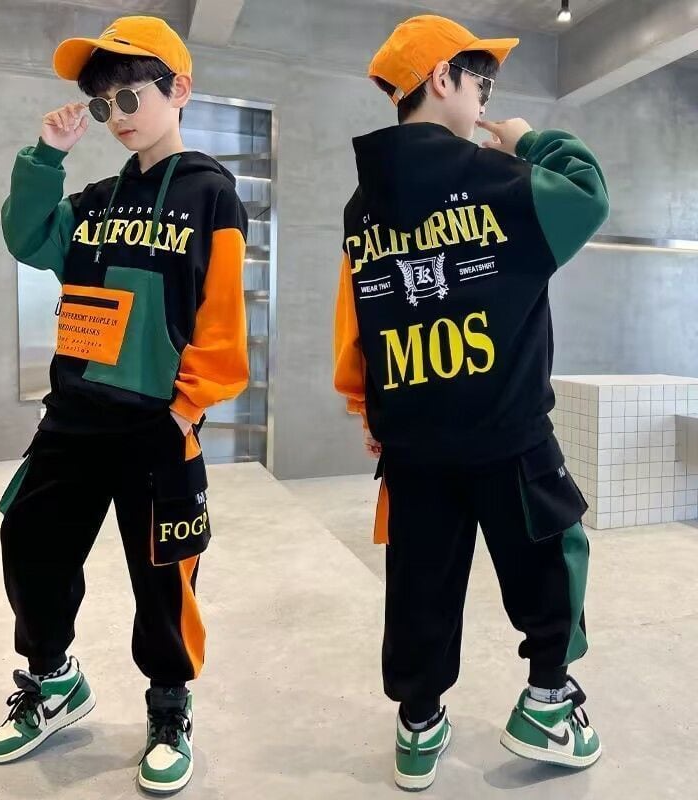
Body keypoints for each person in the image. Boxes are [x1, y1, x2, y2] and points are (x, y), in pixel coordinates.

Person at [333, 14, 609, 792]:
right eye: (480, 80)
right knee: (550, 557)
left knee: (419, 582)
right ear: (442, 78)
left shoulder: (361, 206)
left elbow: (361, 318)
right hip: (508, 432)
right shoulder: (502, 180)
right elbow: (588, 195)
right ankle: (548, 702)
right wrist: (529, 141)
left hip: (413, 440)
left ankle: (418, 724)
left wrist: (370, 410)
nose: (487, 96)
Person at [0, 16, 249, 795]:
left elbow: (223, 316)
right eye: (103, 104)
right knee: (30, 543)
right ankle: (53, 680)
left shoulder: (211, 194)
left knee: (164, 577)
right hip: (74, 417)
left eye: (131, 95)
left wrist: (187, 408)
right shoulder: (95, 200)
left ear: (179, 89)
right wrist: (46, 157)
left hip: (157, 425)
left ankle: (169, 707)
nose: (117, 114)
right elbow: (27, 237)